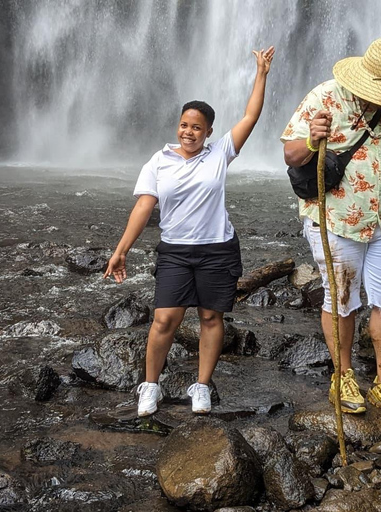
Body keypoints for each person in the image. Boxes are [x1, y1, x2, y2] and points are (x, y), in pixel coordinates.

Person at [104, 46, 275, 417]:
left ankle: (201, 387)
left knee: (211, 318)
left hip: (217, 249)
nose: (189, 131)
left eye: (197, 127)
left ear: (208, 131)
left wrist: (261, 73)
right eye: (184, 125)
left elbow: (251, 115)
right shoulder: (158, 161)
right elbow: (143, 207)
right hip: (176, 251)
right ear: (177, 126)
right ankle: (150, 386)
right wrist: (121, 250)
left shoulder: (220, 153)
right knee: (164, 318)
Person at [280, 37, 381, 428]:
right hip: (338, 217)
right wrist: (313, 137)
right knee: (342, 295)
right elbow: (292, 155)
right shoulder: (326, 97)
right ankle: (344, 376)